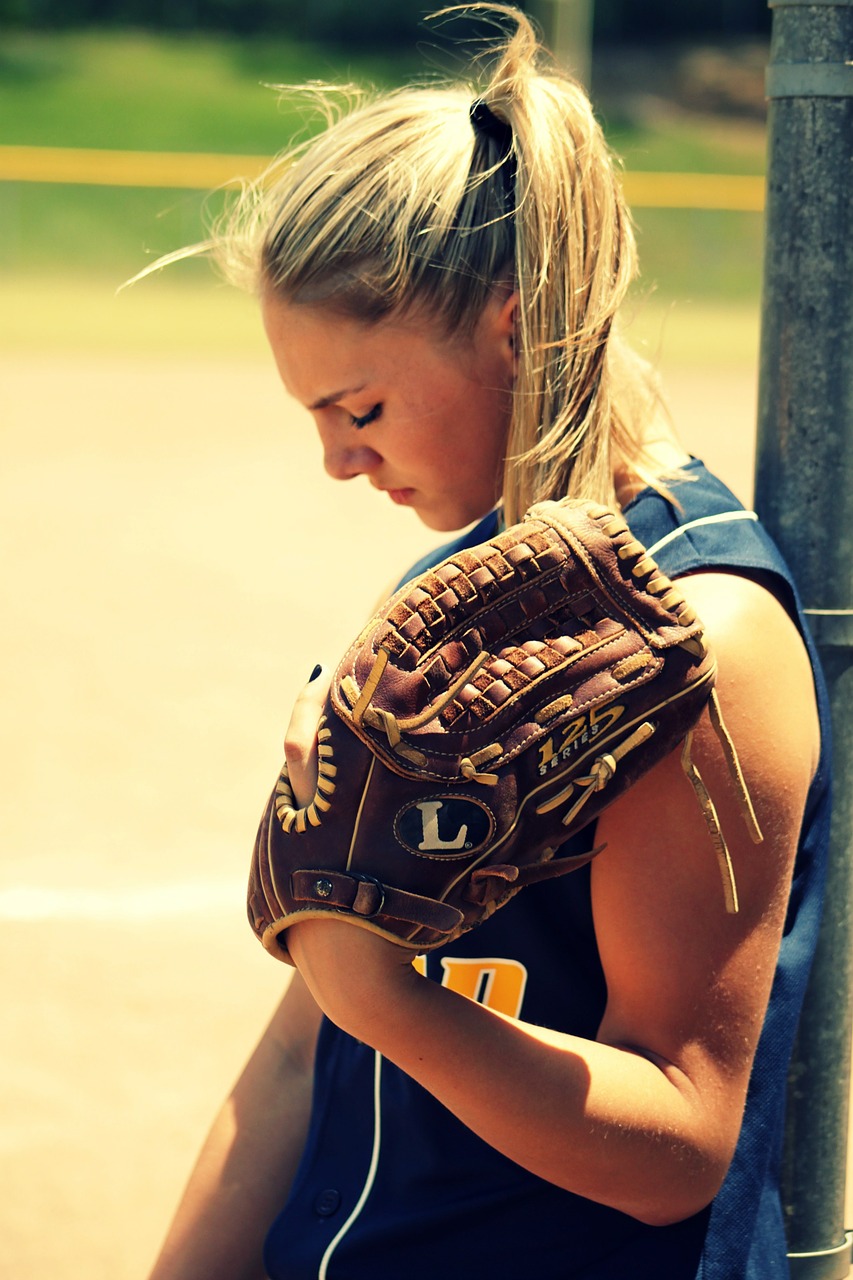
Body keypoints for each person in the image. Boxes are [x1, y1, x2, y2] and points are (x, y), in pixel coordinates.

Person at [146, 7, 830, 1278]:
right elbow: (303, 1049)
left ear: (509, 327)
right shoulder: (468, 593)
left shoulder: (702, 641)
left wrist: (379, 992)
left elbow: (678, 1139)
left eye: (360, 406)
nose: (337, 458)